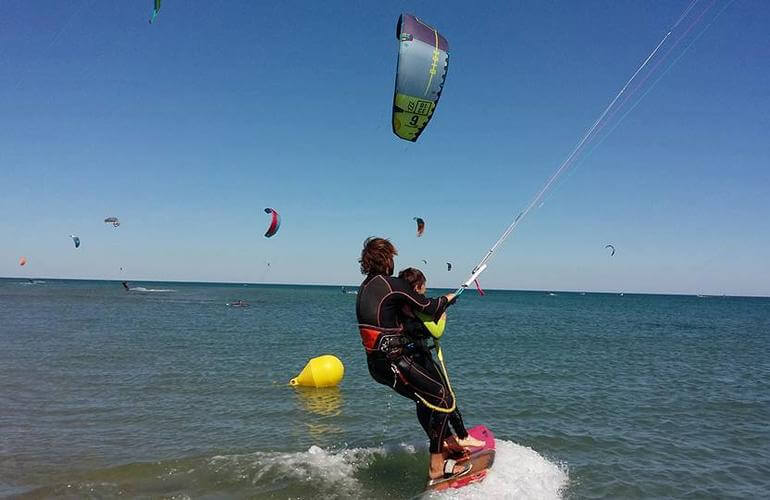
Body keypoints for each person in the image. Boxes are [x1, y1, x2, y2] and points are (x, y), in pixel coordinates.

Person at [355, 237, 469, 482]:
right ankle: (437, 467)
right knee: (442, 398)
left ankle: (448, 446)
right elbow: (429, 306)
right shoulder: (392, 285)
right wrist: (449, 299)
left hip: (376, 366)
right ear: (388, 260)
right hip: (394, 360)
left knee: (427, 400)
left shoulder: (365, 287)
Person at [397, 267, 485, 453]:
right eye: (424, 287)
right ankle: (462, 436)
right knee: (446, 396)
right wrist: (443, 315)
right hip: (421, 360)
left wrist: (444, 303)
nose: (426, 291)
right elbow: (436, 331)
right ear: (418, 287)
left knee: (424, 402)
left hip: (407, 360)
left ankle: (444, 439)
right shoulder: (418, 307)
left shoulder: (401, 306)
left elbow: (431, 309)